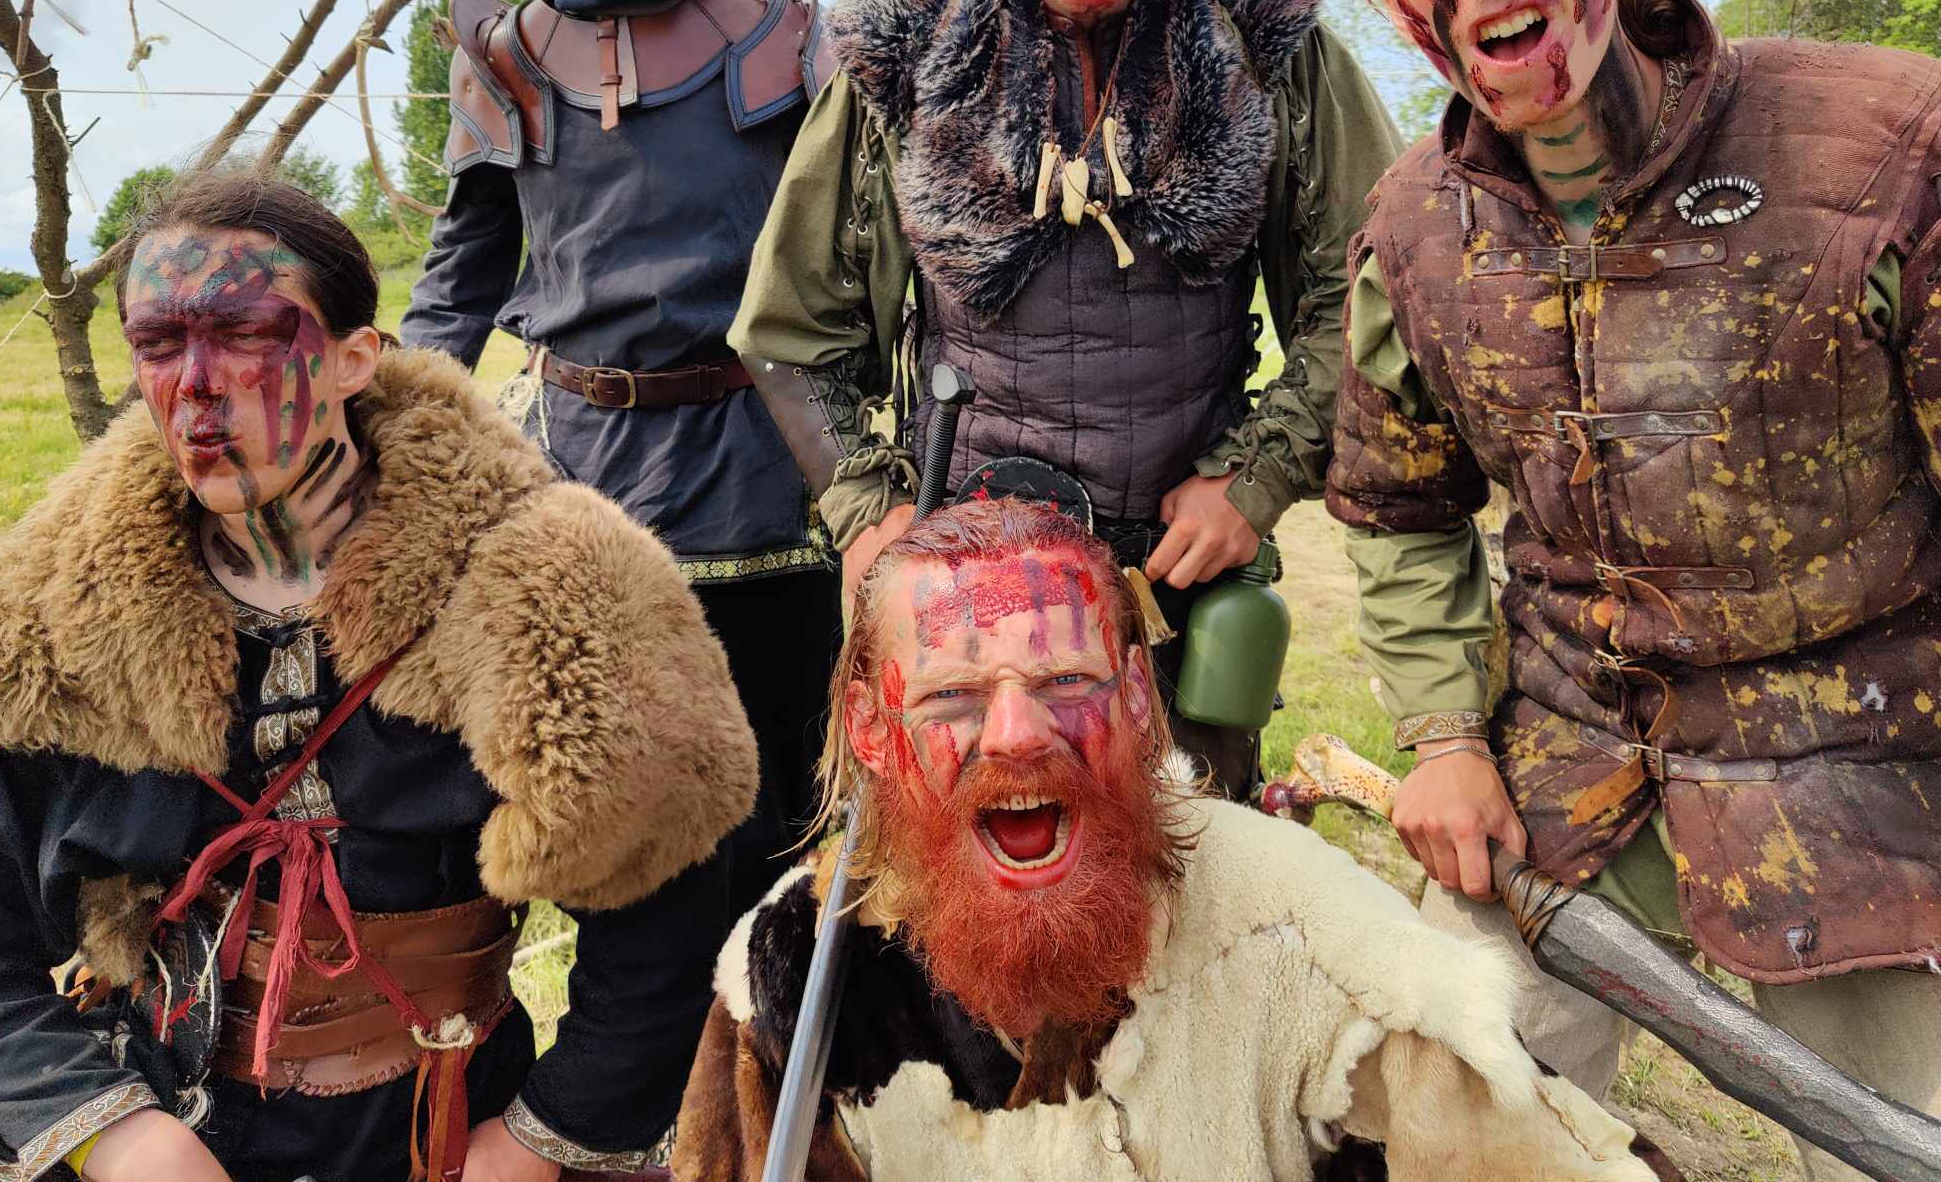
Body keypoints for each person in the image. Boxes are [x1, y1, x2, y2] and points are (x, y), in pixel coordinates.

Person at [1321, 0, 1941, 1181]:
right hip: (1567, 767)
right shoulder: (1411, 229)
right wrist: (1444, 742)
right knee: (1440, 1119)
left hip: (1864, 769)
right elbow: (1400, 510)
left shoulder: (1887, 145)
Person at [0, 167, 757, 1182]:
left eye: (246, 334)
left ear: (353, 359)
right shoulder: (46, 613)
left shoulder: (546, 586)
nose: (195, 384)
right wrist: (120, 1137)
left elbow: (668, 906)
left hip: (447, 1121)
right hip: (155, 1106)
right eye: (158, 343)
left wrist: (539, 1136)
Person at [730, 0, 1403, 799]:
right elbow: (789, 330)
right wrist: (869, 514)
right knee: (965, 876)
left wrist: (1255, 479)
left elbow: (1369, 293)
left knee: (1190, 868)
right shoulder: (900, 56)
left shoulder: (1265, 43)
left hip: (1180, 598)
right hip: (966, 605)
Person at [666, 497, 1653, 1181]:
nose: (1015, 734)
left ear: (1139, 698)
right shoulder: (794, 968)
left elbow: (1546, 1152)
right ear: (871, 727)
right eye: (952, 696)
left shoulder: (1303, 927)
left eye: (1066, 682)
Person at [397, 0, 845, 1166]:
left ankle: (762, 1131)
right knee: (615, 844)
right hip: (579, 510)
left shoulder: (786, 43)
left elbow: (852, 274)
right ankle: (611, 1132)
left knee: (775, 851)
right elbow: (460, 282)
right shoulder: (505, 55)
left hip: (769, 498)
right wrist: (383, 448)